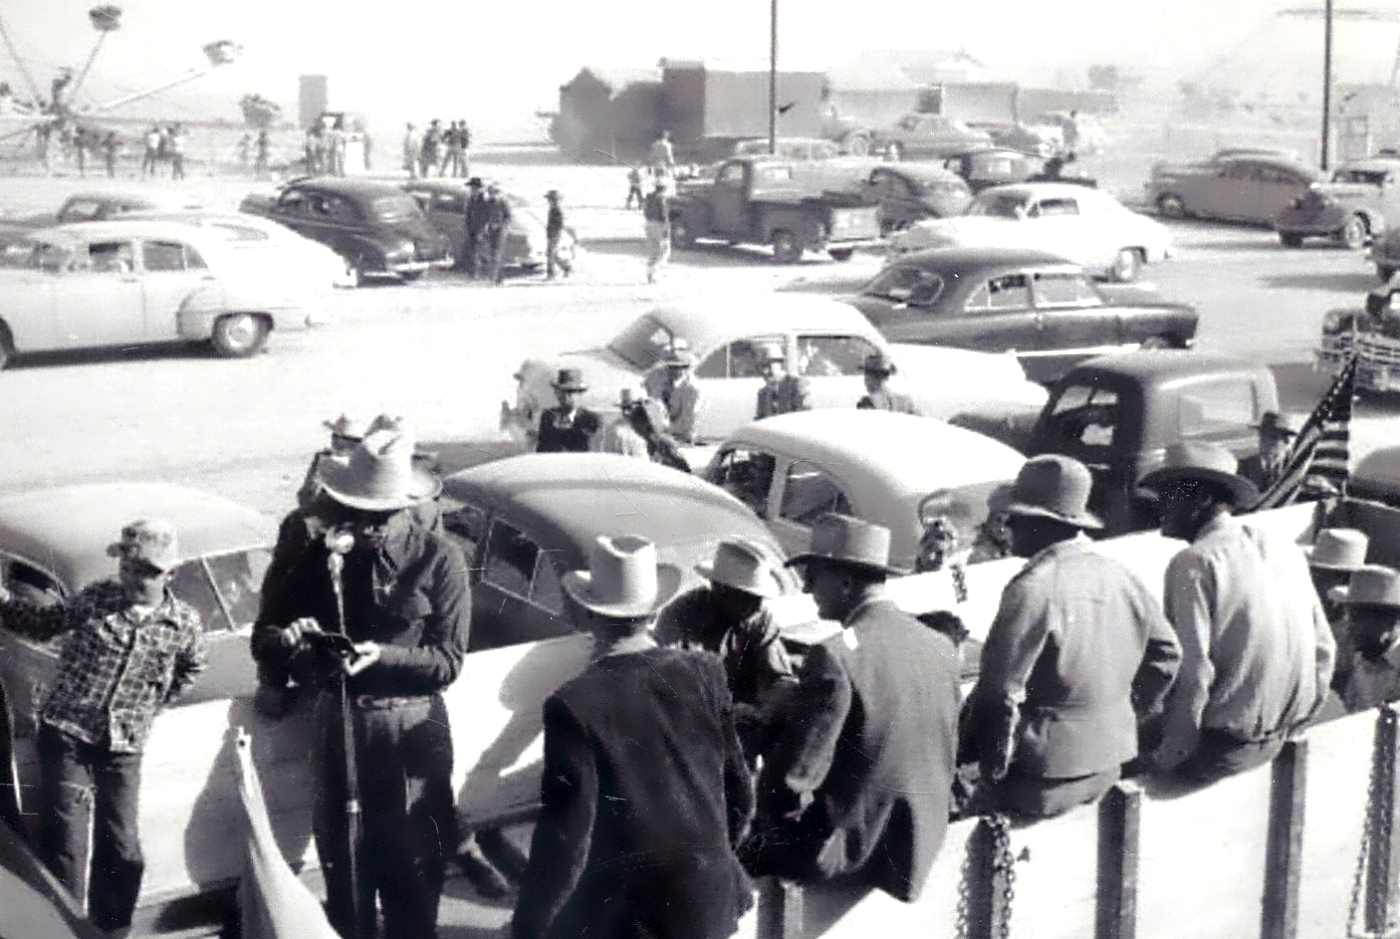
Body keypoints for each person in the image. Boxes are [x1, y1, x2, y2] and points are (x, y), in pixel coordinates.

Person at [251, 428, 468, 939]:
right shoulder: (320, 554)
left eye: (381, 514)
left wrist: (384, 654)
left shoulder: (440, 559)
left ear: (407, 505)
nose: (366, 525)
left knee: (414, 871)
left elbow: (449, 661)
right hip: (339, 721)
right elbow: (265, 634)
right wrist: (289, 640)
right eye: (357, 510)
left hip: (411, 726)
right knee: (345, 866)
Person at [509, 534, 754, 939]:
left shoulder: (573, 703)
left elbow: (567, 840)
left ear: (589, 615)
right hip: (711, 901)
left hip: (640, 921)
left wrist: (529, 927)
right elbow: (740, 793)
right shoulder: (706, 671)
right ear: (654, 615)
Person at [0, 520, 206, 931]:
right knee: (66, 841)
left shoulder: (184, 624)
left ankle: (112, 929)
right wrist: (2, 599)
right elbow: (42, 625)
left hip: (124, 746)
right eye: (128, 567)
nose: (133, 578)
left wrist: (147, 708)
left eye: (146, 571)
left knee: (122, 844)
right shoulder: (96, 598)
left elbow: (190, 669)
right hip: (68, 734)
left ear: (171, 574)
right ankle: (62, 925)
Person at [746, 514, 959, 901]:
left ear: (846, 582)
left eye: (814, 575)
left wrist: (760, 816)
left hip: (852, 851)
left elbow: (796, 777)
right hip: (917, 842)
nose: (807, 586)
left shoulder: (835, 654)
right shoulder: (939, 645)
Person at [968, 456, 1181, 818]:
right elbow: (1167, 654)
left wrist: (990, 771)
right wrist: (1123, 710)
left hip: (1042, 778)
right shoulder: (1119, 575)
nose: (1010, 526)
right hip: (1110, 760)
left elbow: (999, 695)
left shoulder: (1033, 587)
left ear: (1041, 524)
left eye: (1017, 516)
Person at [1139, 441, 1335, 783]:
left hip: (1221, 752)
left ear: (1200, 500)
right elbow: (1324, 650)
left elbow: (1194, 674)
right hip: (1276, 738)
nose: (1160, 506)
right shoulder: (1281, 546)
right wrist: (1294, 724)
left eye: (1169, 494)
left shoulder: (1194, 562)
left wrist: (1168, 757)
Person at [662, 538, 798, 762]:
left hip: (738, 732)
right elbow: (664, 685)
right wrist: (724, 713)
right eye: (748, 598)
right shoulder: (680, 617)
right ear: (720, 589)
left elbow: (782, 680)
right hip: (690, 730)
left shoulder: (758, 618)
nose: (757, 606)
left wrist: (762, 710)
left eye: (759, 599)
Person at [1305, 528, 1370, 692]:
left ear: (1344, 579)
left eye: (1320, 575)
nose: (1313, 581)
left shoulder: (1359, 630)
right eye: (1312, 573)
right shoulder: (1302, 612)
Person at [1336, 566, 1400, 712]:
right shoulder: (1361, 658)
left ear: (1391, 619)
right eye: (1350, 616)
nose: (1350, 628)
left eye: (1359, 618)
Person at [536, 368, 602, 453]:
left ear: (580, 394)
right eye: (563, 392)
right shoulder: (548, 417)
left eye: (572, 392)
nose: (567, 397)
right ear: (557, 393)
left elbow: (594, 452)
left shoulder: (590, 419)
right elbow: (541, 449)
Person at [1240, 410, 1299, 491]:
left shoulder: (1297, 467)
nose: (1265, 444)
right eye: (1262, 437)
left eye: (1272, 438)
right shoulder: (1245, 467)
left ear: (1286, 441)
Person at [755, 342, 811, 419]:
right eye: (761, 367)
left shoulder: (796, 386)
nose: (765, 372)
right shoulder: (763, 394)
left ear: (780, 364)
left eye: (768, 365)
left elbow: (804, 417)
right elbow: (759, 421)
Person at [659, 344, 701, 443]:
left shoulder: (691, 389)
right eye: (669, 367)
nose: (669, 371)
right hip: (671, 436)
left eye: (675, 368)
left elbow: (686, 424)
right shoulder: (669, 385)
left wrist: (661, 429)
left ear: (684, 369)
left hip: (683, 439)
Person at [595, 388, 649, 458]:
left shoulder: (645, 428)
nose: (626, 412)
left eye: (629, 408)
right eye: (624, 408)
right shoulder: (616, 430)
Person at [483, 182, 513, 285]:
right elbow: (485, 216)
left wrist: (500, 226)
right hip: (491, 230)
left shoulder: (503, 203)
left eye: (494, 193)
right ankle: (499, 278)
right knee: (492, 254)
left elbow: (508, 217)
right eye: (490, 193)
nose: (492, 195)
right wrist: (487, 225)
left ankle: (493, 278)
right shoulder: (487, 203)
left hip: (501, 230)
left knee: (496, 254)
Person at [643, 177, 671, 284]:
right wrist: (666, 228)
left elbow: (645, 210)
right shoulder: (662, 198)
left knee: (653, 251)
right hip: (659, 225)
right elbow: (664, 214)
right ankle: (654, 272)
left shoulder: (648, 196)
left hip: (648, 224)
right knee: (664, 251)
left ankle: (650, 273)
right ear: (664, 188)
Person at [543, 189, 572, 279]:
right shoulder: (553, 208)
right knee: (551, 254)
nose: (548, 201)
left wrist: (553, 229)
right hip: (552, 233)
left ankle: (551, 274)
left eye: (550, 199)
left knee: (550, 253)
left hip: (555, 234)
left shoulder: (557, 209)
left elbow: (560, 223)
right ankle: (566, 267)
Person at [462, 177, 487, 276]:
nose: (472, 190)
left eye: (474, 188)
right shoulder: (470, 199)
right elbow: (468, 214)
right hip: (471, 229)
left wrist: (482, 230)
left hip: (480, 229)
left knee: (478, 251)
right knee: (471, 250)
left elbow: (486, 216)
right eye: (472, 188)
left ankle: (477, 272)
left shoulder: (484, 200)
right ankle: (471, 271)